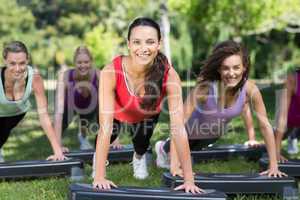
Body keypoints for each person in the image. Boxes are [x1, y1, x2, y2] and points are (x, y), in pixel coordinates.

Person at [93, 17, 201, 193]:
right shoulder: (111, 71)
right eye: (137, 42)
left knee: (141, 144)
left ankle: (139, 157)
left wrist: (189, 180)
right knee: (104, 137)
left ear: (159, 44)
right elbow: (105, 127)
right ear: (128, 44)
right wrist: (99, 176)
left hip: (146, 112)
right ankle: (98, 161)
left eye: (150, 42)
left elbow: (178, 128)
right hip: (117, 110)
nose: (143, 48)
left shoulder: (169, 75)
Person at [155, 40, 285, 178]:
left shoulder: (250, 89)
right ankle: (163, 148)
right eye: (226, 68)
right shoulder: (205, 88)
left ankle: (174, 153)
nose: (231, 73)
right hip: (186, 134)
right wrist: (175, 166)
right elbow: (178, 124)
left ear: (244, 67)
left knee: (195, 149)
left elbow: (265, 126)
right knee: (179, 152)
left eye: (236, 67)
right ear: (219, 69)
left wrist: (273, 165)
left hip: (211, 137)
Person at [0, 41, 65, 162]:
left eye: (22, 63)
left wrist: (58, 151)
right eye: (12, 63)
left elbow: (44, 117)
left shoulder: (34, 78)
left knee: (3, 133)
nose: (17, 69)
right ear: (5, 61)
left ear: (27, 60)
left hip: (16, 113)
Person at [54, 46, 122, 151]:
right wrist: (57, 147)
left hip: (91, 106)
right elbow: (58, 112)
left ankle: (84, 136)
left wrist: (115, 138)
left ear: (91, 62)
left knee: (99, 110)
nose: (83, 65)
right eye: (79, 62)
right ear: (74, 63)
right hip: (71, 107)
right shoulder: (65, 76)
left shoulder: (98, 74)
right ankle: (81, 138)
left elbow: (110, 104)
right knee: (63, 116)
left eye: (86, 62)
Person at [275, 69, 300, 159]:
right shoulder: (292, 78)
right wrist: (276, 152)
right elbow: (282, 115)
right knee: (273, 140)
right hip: (289, 120)